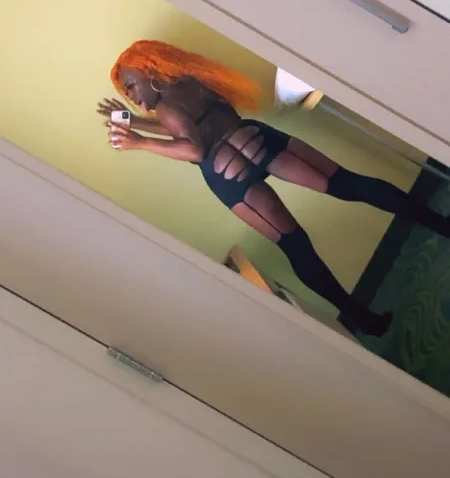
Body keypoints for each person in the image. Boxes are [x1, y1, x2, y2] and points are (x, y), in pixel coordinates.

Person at [97, 40, 448, 337]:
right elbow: (189, 124)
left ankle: (361, 318)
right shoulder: (193, 81)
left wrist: (139, 142)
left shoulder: (165, 108)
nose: (132, 96)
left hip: (226, 172)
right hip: (253, 139)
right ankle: (439, 223)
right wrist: (136, 122)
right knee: (349, 183)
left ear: (149, 69)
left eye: (131, 86)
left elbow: (194, 148)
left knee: (295, 244)